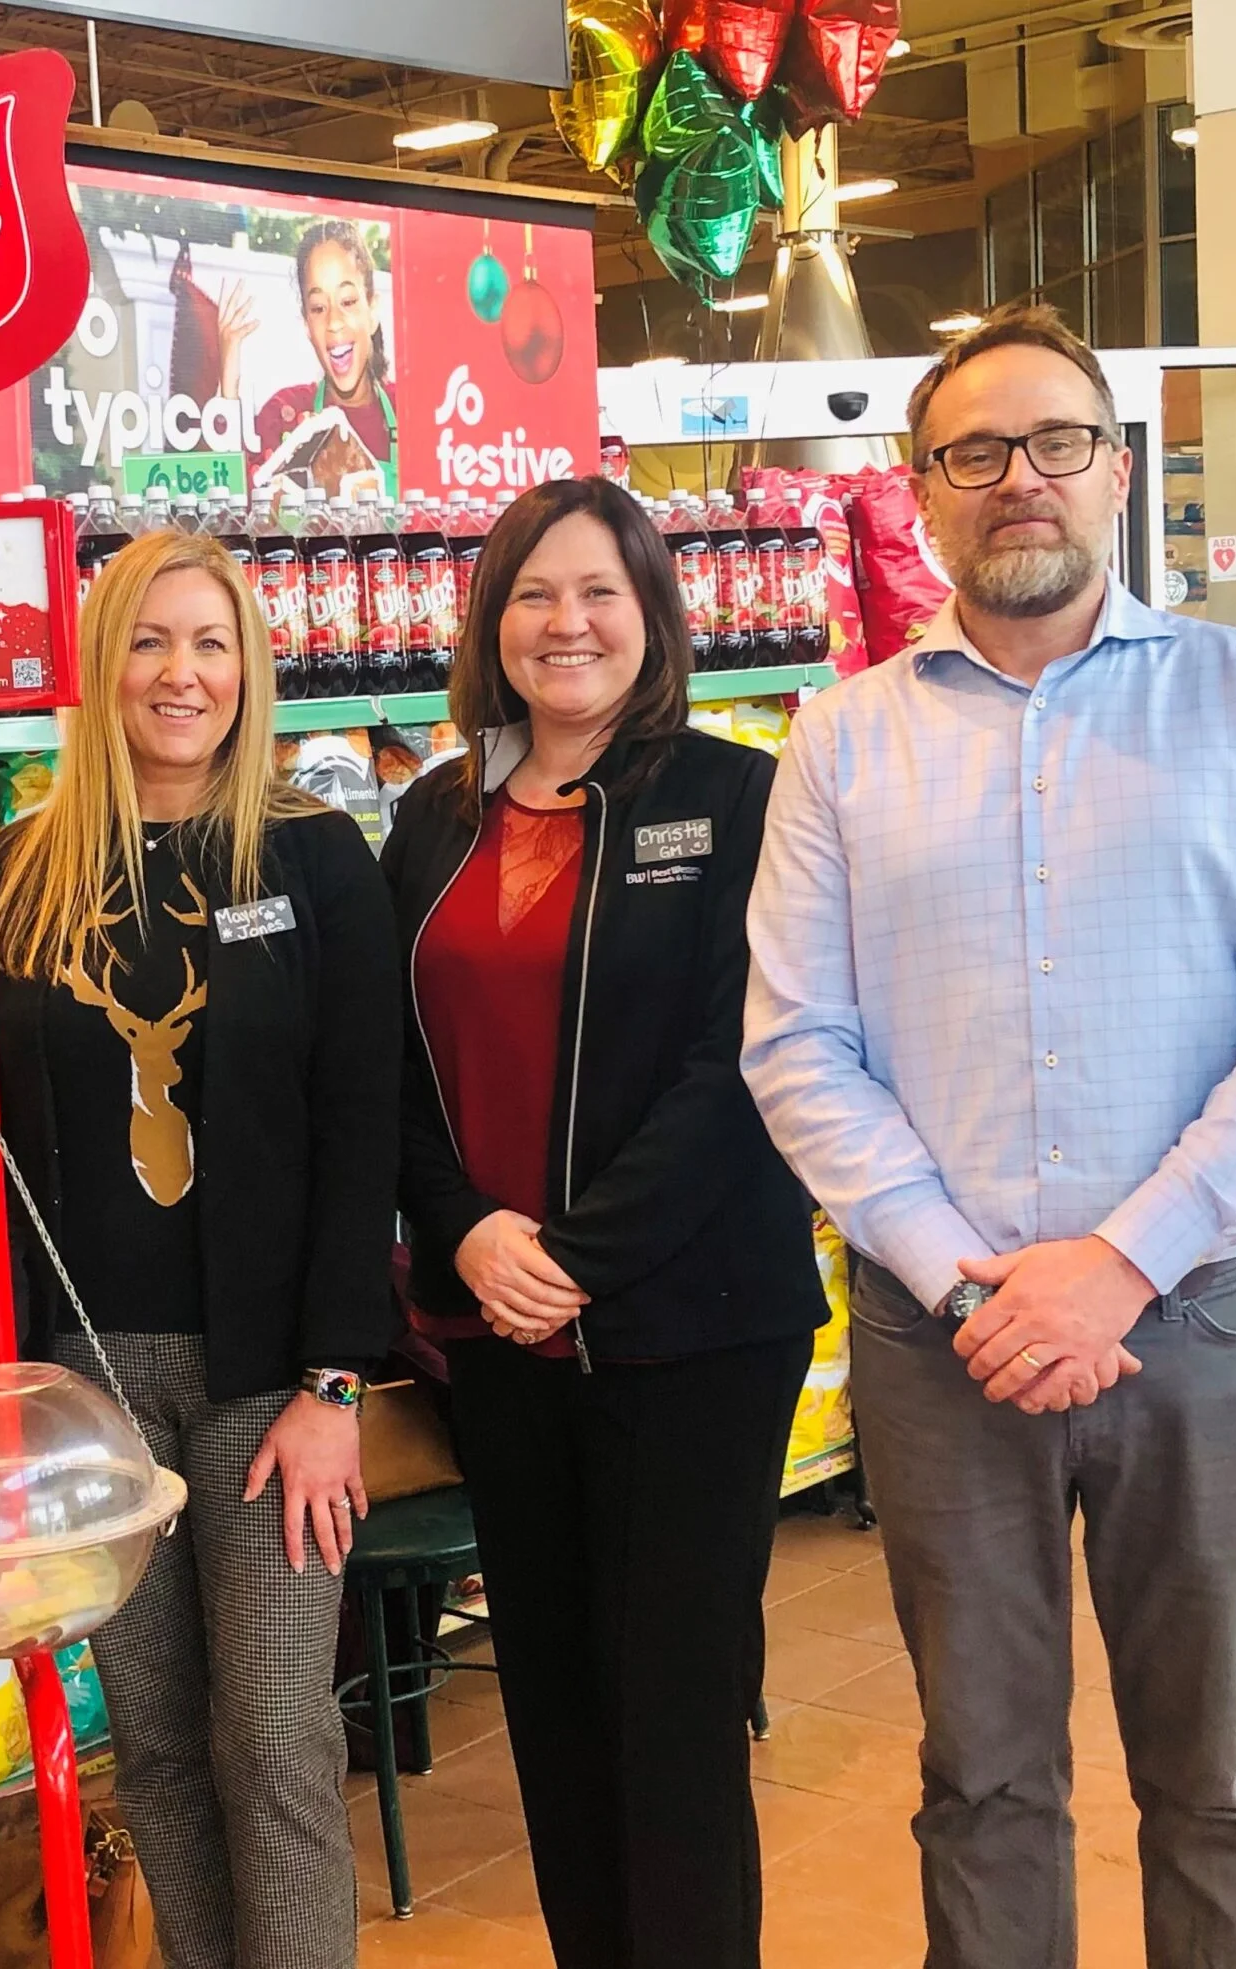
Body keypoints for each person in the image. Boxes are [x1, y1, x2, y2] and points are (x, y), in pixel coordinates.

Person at [742, 304, 1236, 1969]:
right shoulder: (843, 739)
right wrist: (975, 1284)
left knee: (1215, 1773)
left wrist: (1115, 1261)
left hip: (1202, 1320)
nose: (1018, 478)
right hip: (942, 1345)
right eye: (974, 451)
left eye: (1057, 443)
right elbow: (798, 1043)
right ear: (922, 492)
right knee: (982, 1773)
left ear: (1116, 472)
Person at [379, 477, 826, 1969]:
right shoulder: (432, 819)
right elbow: (391, 1068)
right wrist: (466, 1238)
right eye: (533, 595)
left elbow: (745, 1059)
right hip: (495, 1330)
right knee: (557, 1704)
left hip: (691, 1328)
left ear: (654, 617)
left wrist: (573, 1255)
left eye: (599, 594)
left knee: (676, 1711)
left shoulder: (734, 796)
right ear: (492, 622)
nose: (566, 624)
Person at [0, 526, 399, 1969]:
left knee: (276, 1733)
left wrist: (338, 1381)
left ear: (251, 669)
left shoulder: (316, 860)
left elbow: (366, 1123)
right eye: (151, 641)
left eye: (211, 643)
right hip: (84, 1380)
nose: (183, 672)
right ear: (103, 666)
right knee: (155, 1741)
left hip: (267, 1374)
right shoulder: (16, 872)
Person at [227, 218, 399, 500]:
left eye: (347, 302)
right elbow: (239, 504)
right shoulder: (284, 415)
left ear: (373, 310)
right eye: (319, 308)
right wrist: (228, 375)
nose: (333, 322)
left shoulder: (411, 413)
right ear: (307, 324)